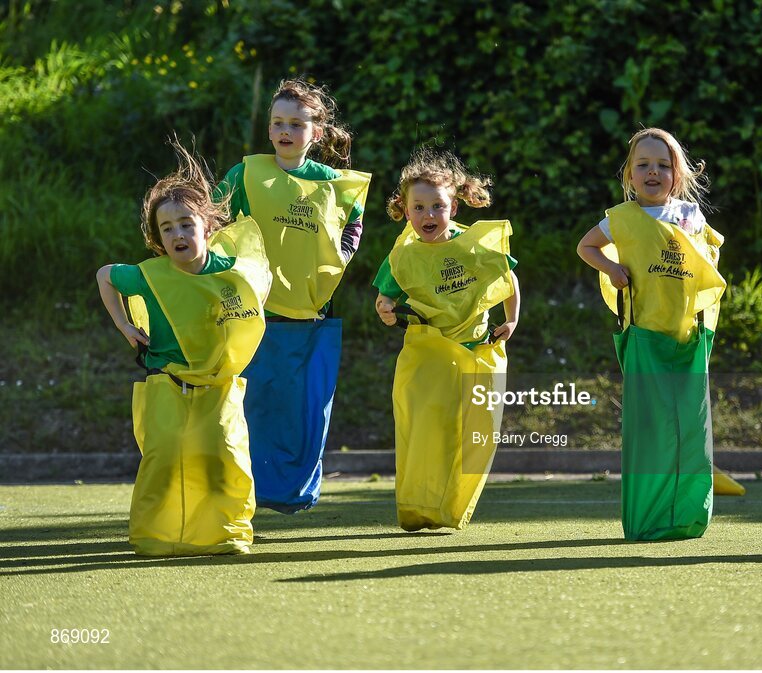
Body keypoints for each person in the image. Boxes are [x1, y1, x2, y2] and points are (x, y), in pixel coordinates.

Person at [96, 138, 271, 555]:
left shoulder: (235, 274)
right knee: (165, 456)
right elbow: (105, 275)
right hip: (167, 382)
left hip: (218, 387)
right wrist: (124, 326)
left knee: (222, 457)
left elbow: (255, 296)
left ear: (207, 228)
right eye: (167, 228)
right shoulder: (149, 275)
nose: (178, 234)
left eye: (186, 224)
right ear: (158, 238)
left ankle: (226, 533)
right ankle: (155, 536)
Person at [216, 79, 372, 513]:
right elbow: (213, 222)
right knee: (251, 406)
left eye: (296, 124)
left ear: (315, 133)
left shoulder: (335, 183)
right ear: (268, 130)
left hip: (308, 315)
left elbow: (353, 223)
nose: (285, 131)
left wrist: (339, 259)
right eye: (278, 123)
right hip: (252, 313)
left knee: (301, 411)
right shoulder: (244, 174)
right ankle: (241, 489)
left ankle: (290, 492)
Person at [578, 128, 729, 541]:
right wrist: (611, 269)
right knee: (651, 429)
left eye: (663, 165)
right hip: (644, 336)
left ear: (676, 175)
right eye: (643, 165)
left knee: (688, 428)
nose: (653, 172)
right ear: (628, 174)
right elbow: (585, 247)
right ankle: (648, 517)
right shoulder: (619, 219)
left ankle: (686, 515)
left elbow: (709, 257)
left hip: (686, 340)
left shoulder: (689, 216)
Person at [373, 149, 521, 531]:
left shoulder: (474, 245)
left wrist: (512, 318)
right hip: (431, 354)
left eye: (437, 206)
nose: (428, 215)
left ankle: (452, 508)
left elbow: (508, 279)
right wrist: (385, 309)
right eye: (418, 207)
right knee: (428, 428)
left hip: (477, 351)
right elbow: (386, 295)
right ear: (406, 212)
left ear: (453, 208)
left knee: (476, 433)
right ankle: (419, 506)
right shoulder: (403, 255)